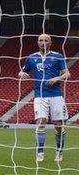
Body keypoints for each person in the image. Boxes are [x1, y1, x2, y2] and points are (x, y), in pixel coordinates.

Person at [18, 34, 70, 162]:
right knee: (41, 122)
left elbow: (67, 74)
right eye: (41, 40)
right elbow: (22, 71)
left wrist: (57, 78)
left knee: (58, 125)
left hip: (56, 95)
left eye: (46, 40)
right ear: (38, 42)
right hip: (40, 96)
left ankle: (59, 152)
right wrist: (22, 73)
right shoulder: (31, 58)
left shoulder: (57, 56)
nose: (43, 43)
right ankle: (40, 153)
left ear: (50, 42)